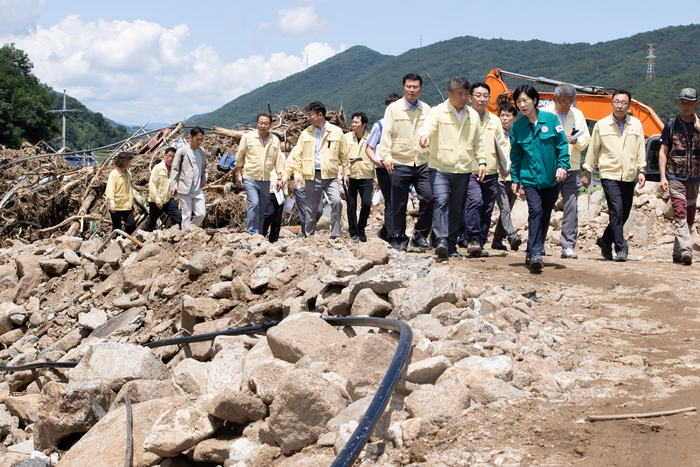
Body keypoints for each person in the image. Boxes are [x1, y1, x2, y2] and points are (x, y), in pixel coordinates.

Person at [419, 76, 485, 258]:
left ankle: (451, 245)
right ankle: (440, 240)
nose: (464, 98)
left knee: (457, 208)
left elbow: (478, 142)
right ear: (449, 94)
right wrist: (424, 136)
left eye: (466, 94)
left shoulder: (472, 115)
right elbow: (428, 127)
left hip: (463, 169)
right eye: (460, 94)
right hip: (440, 167)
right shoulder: (438, 111)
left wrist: (482, 161)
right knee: (441, 202)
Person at [510, 84, 569, 270]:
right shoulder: (517, 127)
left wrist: (562, 166)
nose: (522, 104)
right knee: (535, 211)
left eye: (525, 100)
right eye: (519, 101)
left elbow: (562, 144)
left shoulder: (551, 119)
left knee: (544, 214)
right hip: (530, 179)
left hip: (552, 178)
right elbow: (516, 156)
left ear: (535, 100)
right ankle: (536, 252)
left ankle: (532, 250)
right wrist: (515, 178)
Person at [583, 89, 646, 262]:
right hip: (609, 173)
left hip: (628, 174)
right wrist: (587, 172)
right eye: (617, 102)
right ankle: (621, 247)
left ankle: (605, 240)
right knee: (616, 210)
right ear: (611, 103)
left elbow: (641, 148)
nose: (620, 105)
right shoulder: (601, 125)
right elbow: (593, 150)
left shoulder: (636, 125)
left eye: (623, 102)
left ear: (628, 105)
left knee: (624, 213)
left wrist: (642, 170)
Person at [380, 73, 433, 252]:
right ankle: (399, 238)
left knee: (429, 197)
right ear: (403, 88)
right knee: (399, 203)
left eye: (415, 86)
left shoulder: (427, 109)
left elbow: (433, 133)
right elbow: (386, 134)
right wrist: (387, 157)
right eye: (409, 86)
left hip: (423, 161)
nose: (412, 90)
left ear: (420, 88)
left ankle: (419, 235)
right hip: (400, 161)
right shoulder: (393, 109)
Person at [281, 101, 349, 238]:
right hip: (312, 175)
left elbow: (344, 154)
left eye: (310, 115)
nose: (308, 117)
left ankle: (335, 234)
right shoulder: (306, 134)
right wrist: (298, 174)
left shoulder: (336, 132)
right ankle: (309, 236)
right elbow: (297, 156)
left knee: (336, 201)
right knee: (311, 209)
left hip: (330, 176)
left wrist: (346, 173)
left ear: (320, 115)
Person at [541, 84, 591, 259]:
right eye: (563, 101)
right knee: (545, 205)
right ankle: (538, 243)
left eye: (570, 102)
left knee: (570, 206)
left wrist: (575, 141)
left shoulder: (577, 115)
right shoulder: (544, 113)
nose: (566, 105)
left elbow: (586, 138)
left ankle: (568, 245)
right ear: (554, 99)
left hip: (571, 167)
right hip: (550, 167)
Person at [460, 83, 508, 257]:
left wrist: (506, 163)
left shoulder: (494, 119)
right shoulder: (464, 117)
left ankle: (479, 242)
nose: (482, 99)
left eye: (485, 96)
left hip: (491, 170)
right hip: (470, 170)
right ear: (471, 98)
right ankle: (472, 239)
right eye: (478, 95)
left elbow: (502, 144)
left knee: (487, 208)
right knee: (475, 201)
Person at [657, 88, 700, 265]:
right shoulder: (671, 124)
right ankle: (686, 250)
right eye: (683, 102)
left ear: (696, 104)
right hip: (675, 176)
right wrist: (662, 177)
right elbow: (663, 151)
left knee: (689, 215)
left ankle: (676, 252)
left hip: (695, 178)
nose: (686, 106)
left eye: (689, 103)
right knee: (680, 212)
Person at [235, 113, 285, 235]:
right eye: (260, 123)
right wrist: (239, 174)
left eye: (265, 123)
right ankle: (252, 232)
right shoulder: (247, 137)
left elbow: (278, 159)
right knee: (254, 204)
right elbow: (240, 156)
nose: (262, 126)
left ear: (271, 125)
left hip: (266, 179)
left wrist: (279, 178)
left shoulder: (275, 140)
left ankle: (259, 233)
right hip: (250, 177)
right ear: (257, 124)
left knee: (262, 208)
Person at [365, 93, 402, 243]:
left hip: (401, 168)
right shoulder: (379, 125)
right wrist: (376, 160)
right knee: (391, 201)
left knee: (399, 201)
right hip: (383, 169)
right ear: (387, 107)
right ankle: (392, 237)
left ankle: (386, 231)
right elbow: (369, 148)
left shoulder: (403, 125)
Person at [492, 103, 522, 251]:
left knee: (508, 209)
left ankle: (497, 239)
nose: (504, 118)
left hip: (515, 178)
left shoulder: (519, 134)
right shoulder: (496, 134)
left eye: (508, 115)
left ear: (514, 118)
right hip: (498, 177)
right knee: (504, 208)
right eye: (502, 115)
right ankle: (511, 236)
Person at [171, 127, 209, 230]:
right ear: (190, 137)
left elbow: (206, 165)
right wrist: (173, 186)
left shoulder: (201, 151)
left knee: (201, 214)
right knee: (186, 215)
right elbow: (175, 169)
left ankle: (190, 230)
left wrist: (204, 178)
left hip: (198, 190)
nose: (200, 142)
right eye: (197, 139)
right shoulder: (182, 151)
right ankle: (185, 237)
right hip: (185, 189)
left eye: (201, 139)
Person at [344, 112, 372, 242]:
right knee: (351, 205)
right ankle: (354, 232)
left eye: (356, 122)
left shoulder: (371, 137)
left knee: (366, 203)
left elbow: (376, 156)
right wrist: (345, 165)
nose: (353, 125)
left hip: (366, 176)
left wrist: (376, 178)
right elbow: (340, 156)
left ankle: (361, 227)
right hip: (349, 176)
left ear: (364, 124)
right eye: (353, 122)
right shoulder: (346, 138)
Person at [146, 147, 182, 231]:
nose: (170, 158)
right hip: (156, 200)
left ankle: (179, 237)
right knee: (152, 222)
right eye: (169, 156)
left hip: (168, 199)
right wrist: (157, 199)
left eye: (173, 157)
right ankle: (146, 239)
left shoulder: (175, 169)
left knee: (178, 218)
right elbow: (152, 185)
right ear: (164, 155)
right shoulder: (158, 168)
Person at [105, 152, 136, 234]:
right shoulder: (114, 174)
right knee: (117, 226)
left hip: (127, 205)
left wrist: (132, 203)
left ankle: (124, 239)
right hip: (117, 204)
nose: (130, 163)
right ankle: (114, 242)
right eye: (129, 161)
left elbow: (130, 188)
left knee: (131, 223)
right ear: (124, 161)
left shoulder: (128, 173)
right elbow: (110, 189)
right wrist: (112, 203)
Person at [262, 161, 288, 243]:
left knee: (277, 217)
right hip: (268, 190)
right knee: (269, 213)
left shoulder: (282, 157)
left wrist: (285, 190)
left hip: (279, 191)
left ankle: (273, 239)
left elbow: (285, 174)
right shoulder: (266, 156)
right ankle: (261, 234)